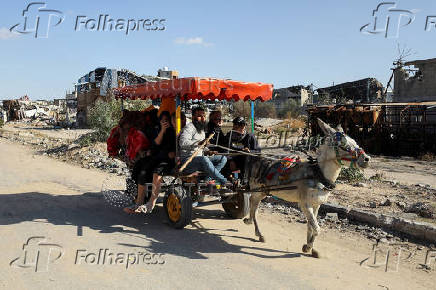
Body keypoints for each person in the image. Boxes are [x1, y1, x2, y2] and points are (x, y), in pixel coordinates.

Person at [179, 107, 228, 186]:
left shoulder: (201, 130)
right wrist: (198, 143)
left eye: (204, 116)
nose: (202, 118)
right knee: (204, 159)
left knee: (223, 158)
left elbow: (201, 147)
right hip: (188, 161)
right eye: (199, 116)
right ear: (193, 117)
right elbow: (183, 142)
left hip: (199, 159)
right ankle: (223, 180)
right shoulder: (189, 128)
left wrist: (208, 151)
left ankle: (207, 179)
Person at [142, 111, 177, 214]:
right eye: (163, 121)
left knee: (157, 172)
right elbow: (157, 143)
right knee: (144, 169)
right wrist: (162, 130)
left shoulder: (173, 131)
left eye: (167, 120)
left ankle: (152, 201)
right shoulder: (159, 130)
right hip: (160, 157)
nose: (165, 122)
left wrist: (173, 153)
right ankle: (142, 199)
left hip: (170, 160)